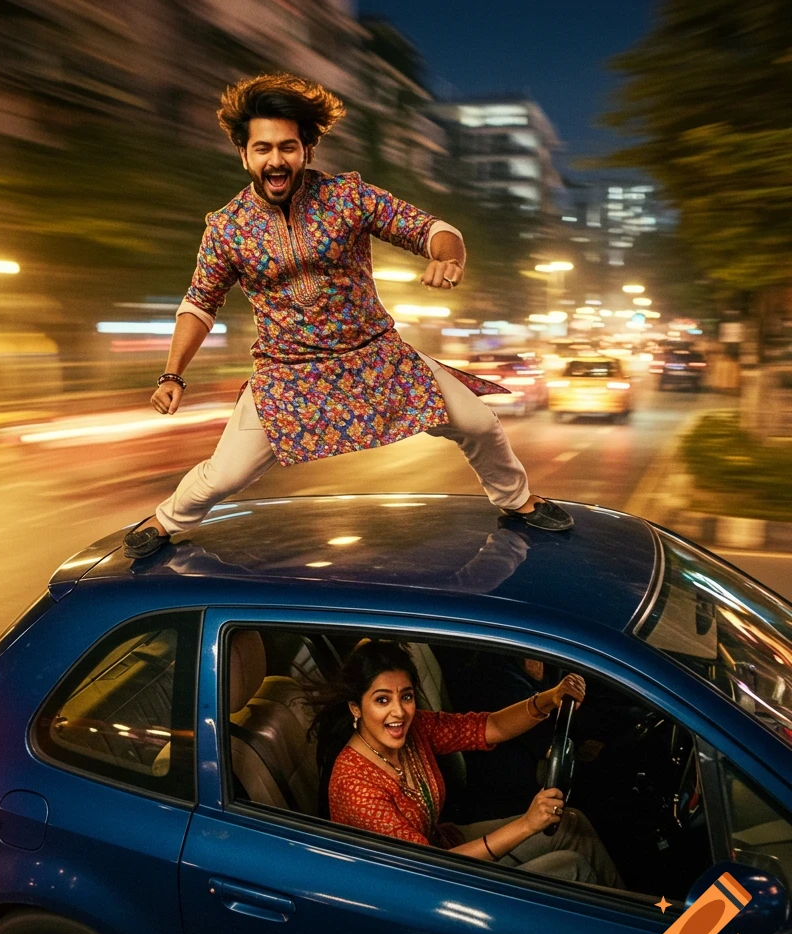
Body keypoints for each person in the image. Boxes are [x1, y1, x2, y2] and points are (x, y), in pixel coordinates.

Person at [123, 74, 572, 559]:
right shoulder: (226, 228)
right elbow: (199, 303)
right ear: (244, 154)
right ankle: (165, 520)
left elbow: (432, 229)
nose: (276, 159)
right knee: (226, 474)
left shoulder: (349, 198)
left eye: (288, 147)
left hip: (377, 359)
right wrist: (173, 374)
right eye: (263, 148)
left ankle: (518, 501)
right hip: (289, 375)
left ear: (308, 151)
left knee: (479, 424)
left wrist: (449, 257)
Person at [312, 640, 623, 887]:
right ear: (356, 707)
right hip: (430, 890)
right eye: (382, 700)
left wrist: (548, 699)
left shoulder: (413, 729)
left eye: (405, 697)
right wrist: (527, 824)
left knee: (572, 824)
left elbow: (490, 727)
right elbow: (430, 867)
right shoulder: (355, 785)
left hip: (446, 846)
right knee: (573, 867)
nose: (399, 713)